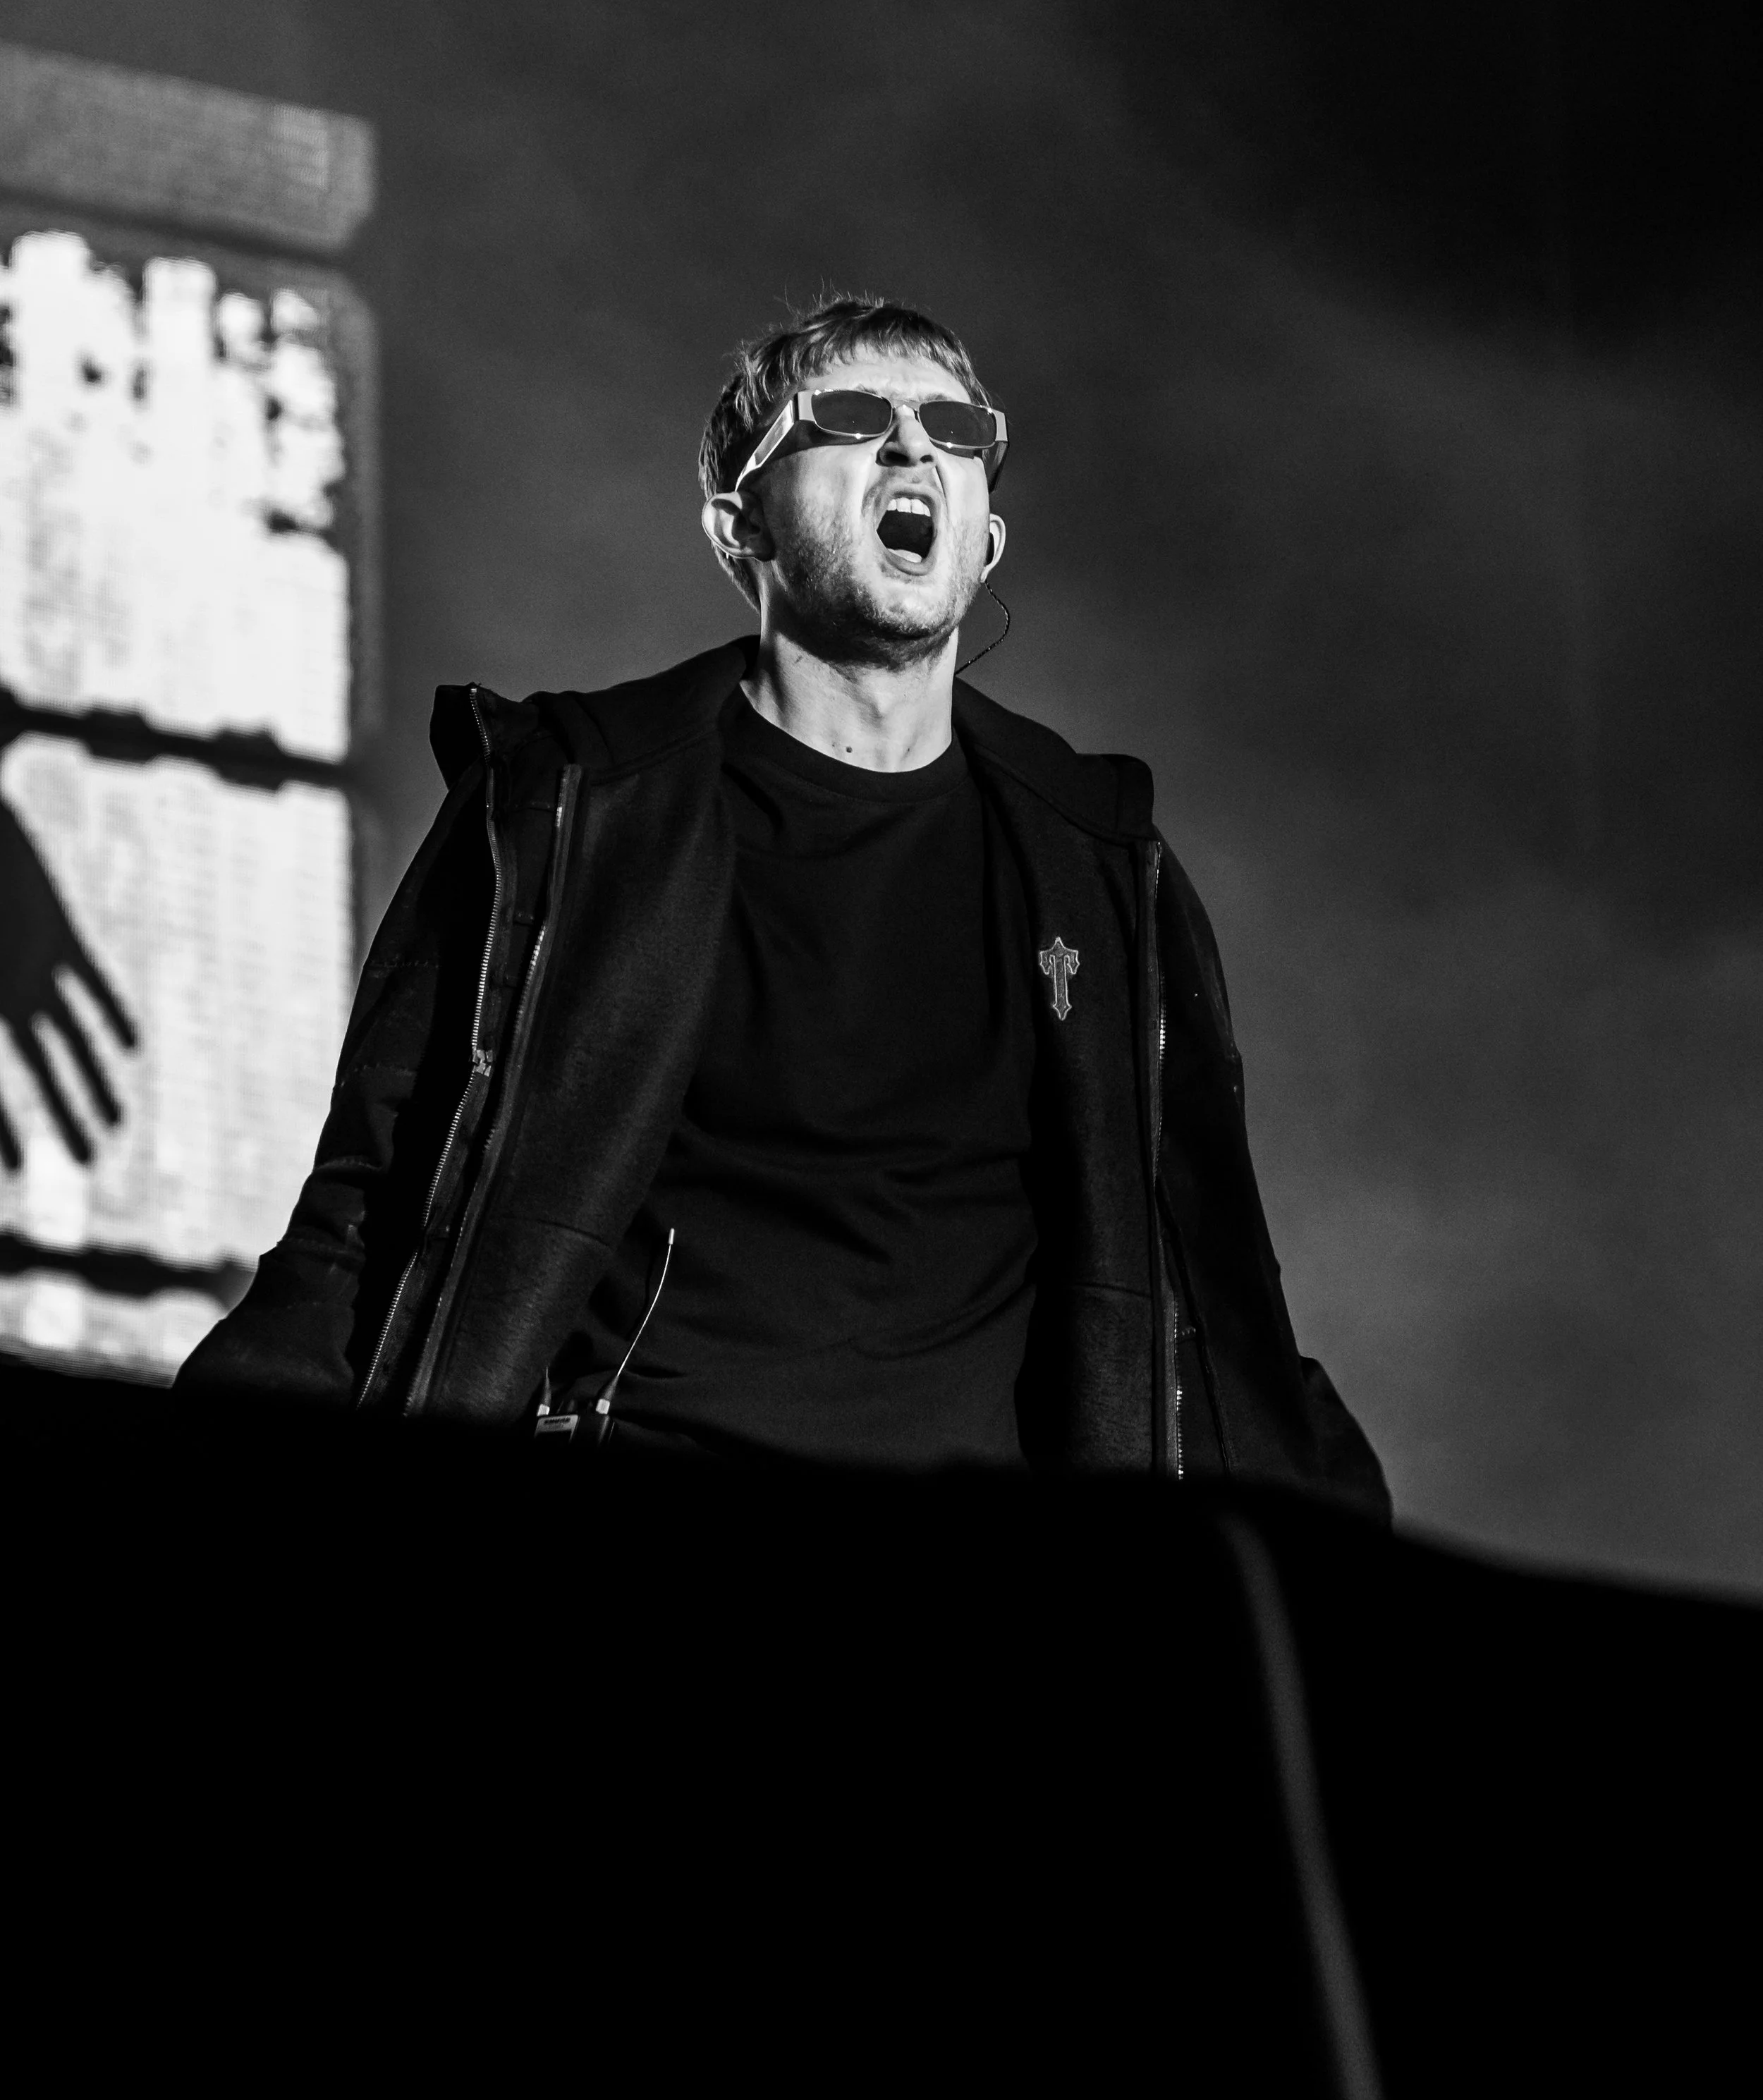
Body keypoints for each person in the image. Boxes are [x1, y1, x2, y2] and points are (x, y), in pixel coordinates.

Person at [180, 293, 1387, 1507]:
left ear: (986, 540)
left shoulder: (1097, 860)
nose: (913, 447)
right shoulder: (570, 808)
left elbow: (1212, 1281)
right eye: (851, 416)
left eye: (957, 429)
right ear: (739, 525)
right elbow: (372, 1207)